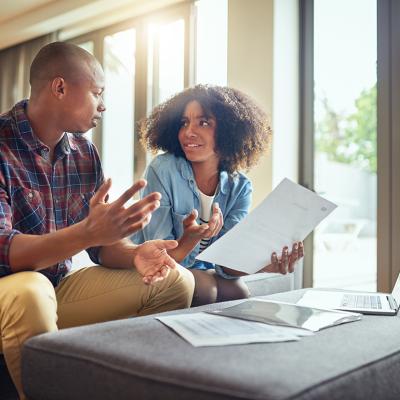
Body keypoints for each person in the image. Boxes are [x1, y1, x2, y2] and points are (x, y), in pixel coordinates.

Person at [0, 42, 194, 400]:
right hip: (11, 290)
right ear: (59, 88)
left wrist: (135, 254)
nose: (103, 105)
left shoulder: (84, 153)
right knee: (29, 289)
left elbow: (102, 247)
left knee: (174, 281)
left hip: (54, 289)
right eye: (96, 93)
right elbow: (5, 251)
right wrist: (87, 232)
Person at [132, 84, 303, 306]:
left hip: (199, 268)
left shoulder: (240, 187)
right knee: (205, 288)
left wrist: (263, 265)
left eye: (203, 122)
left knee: (237, 290)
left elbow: (225, 261)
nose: (188, 132)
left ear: (229, 131)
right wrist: (192, 238)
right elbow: (162, 251)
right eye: (184, 123)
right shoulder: (162, 169)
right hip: (154, 263)